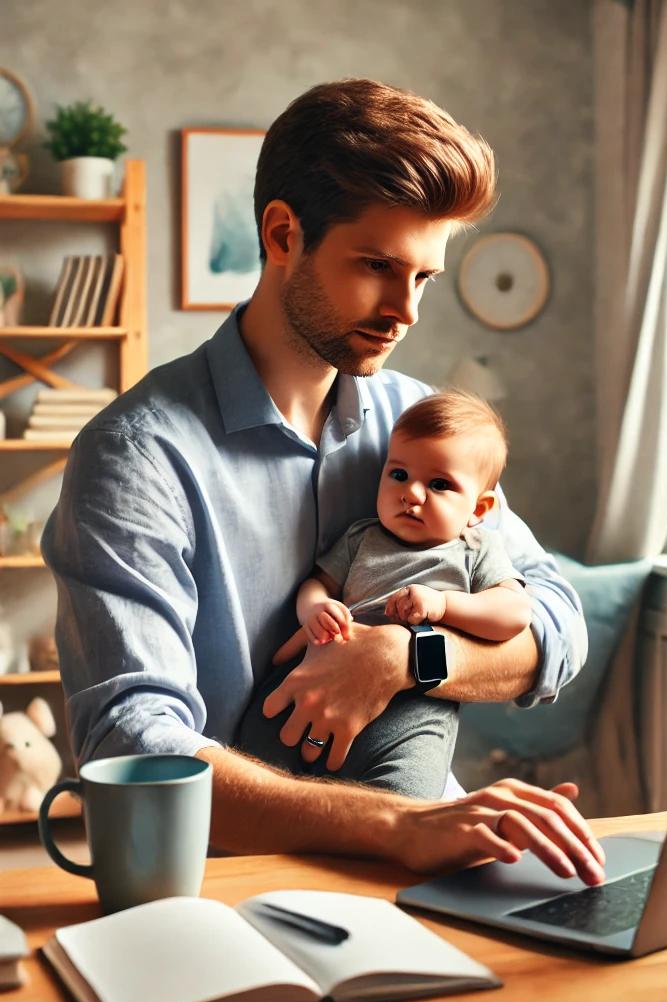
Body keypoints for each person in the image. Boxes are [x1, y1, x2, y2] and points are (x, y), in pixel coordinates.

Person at [42, 79, 605, 885]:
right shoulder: (135, 456)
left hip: (425, 858)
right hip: (230, 885)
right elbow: (136, 740)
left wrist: (404, 657)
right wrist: (394, 824)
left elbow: (556, 623)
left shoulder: (419, 422)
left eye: (423, 279)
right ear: (282, 234)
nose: (405, 311)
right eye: (378, 266)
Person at [238, 389, 531, 799]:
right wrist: (316, 608)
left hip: (413, 708)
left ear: (479, 509)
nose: (411, 493)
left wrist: (444, 604)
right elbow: (318, 584)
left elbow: (514, 612)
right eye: (398, 475)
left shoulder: (475, 549)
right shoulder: (363, 537)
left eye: (440, 484)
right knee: (255, 764)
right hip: (314, 674)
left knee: (405, 805)